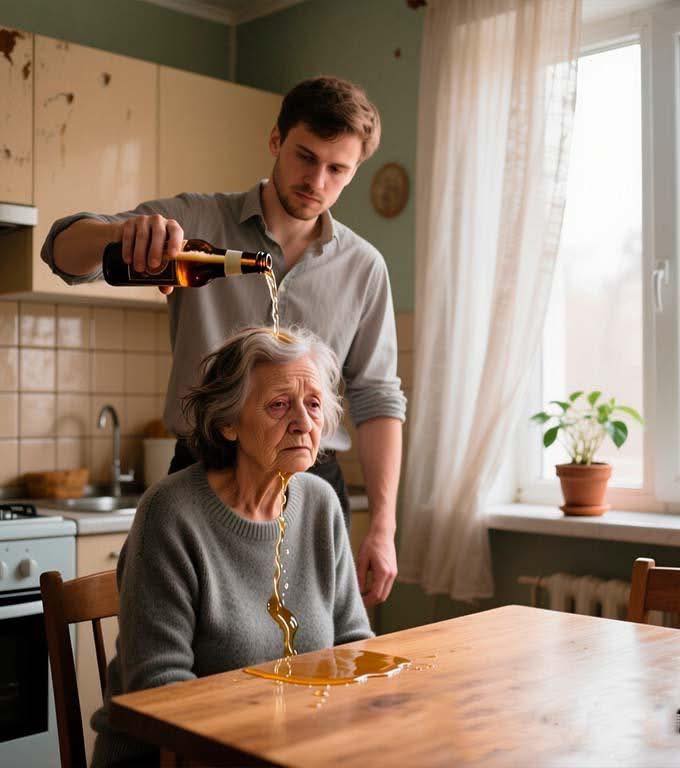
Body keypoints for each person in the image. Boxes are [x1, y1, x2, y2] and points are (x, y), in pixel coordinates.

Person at [41, 75, 406, 606]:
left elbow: (378, 400)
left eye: (337, 169)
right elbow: (60, 252)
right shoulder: (196, 222)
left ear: (354, 172)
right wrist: (122, 236)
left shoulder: (365, 267)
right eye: (305, 156)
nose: (316, 180)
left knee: (316, 645)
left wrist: (384, 527)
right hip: (200, 471)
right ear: (276, 140)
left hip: (311, 482)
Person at [89, 326, 373, 768]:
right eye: (279, 405)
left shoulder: (321, 504)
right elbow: (160, 689)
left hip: (291, 749)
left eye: (314, 404)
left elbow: (353, 645)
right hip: (169, 757)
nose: (303, 422)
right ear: (228, 423)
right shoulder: (171, 513)